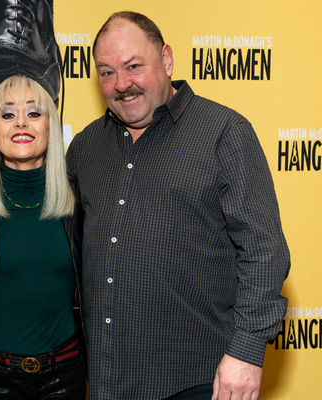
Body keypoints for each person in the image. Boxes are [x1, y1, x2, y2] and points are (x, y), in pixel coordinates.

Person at [66, 11, 290, 400]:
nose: (122, 84)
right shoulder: (85, 147)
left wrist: (247, 351)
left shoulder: (224, 133)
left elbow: (265, 252)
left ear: (166, 60)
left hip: (199, 381)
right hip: (106, 379)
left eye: (133, 66)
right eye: (106, 72)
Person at [0, 75, 87, 400]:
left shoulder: (81, 205)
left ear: (51, 128)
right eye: (8, 114)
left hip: (67, 376)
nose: (21, 122)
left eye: (34, 113)